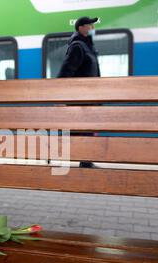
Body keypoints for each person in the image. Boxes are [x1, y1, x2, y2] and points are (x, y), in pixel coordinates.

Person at [58, 17, 101, 168]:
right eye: (89, 25)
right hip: (81, 98)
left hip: (89, 97)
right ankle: (83, 159)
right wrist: (62, 96)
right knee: (82, 130)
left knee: (86, 129)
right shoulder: (78, 46)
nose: (92, 27)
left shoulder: (88, 46)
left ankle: (85, 159)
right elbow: (65, 72)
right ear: (81, 28)